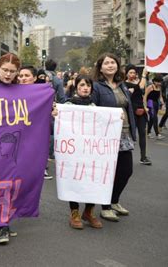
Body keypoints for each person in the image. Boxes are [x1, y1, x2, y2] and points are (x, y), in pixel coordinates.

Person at [92, 53, 136, 222]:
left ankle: (114, 201)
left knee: (126, 171)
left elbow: (127, 107)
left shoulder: (122, 85)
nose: (110, 65)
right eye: (106, 63)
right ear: (100, 67)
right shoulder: (96, 86)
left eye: (113, 62)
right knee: (108, 173)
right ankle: (105, 207)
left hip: (124, 134)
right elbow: (92, 109)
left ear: (117, 65)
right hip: (107, 136)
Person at [60, 75, 103, 230]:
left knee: (92, 180)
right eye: (82, 85)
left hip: (91, 152)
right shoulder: (67, 105)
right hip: (74, 152)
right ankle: (75, 213)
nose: (85, 88)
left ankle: (89, 212)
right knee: (74, 180)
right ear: (76, 86)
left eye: (88, 85)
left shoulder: (95, 106)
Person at [0, 53, 21, 245]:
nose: (8, 74)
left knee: (7, 184)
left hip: (12, 147)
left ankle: (4, 225)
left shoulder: (25, 92)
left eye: (12, 71)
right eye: (5, 70)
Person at [125, 65, 152, 165]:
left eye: (134, 73)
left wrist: (145, 107)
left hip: (141, 111)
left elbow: (142, 94)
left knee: (142, 133)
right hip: (131, 112)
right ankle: (124, 157)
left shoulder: (139, 82)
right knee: (130, 135)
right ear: (127, 74)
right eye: (130, 72)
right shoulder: (125, 84)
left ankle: (143, 157)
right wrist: (144, 75)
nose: (132, 74)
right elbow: (139, 87)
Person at [144, 75, 165, 140]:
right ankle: (157, 134)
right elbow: (145, 96)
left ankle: (148, 132)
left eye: (160, 82)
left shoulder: (159, 87)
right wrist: (145, 106)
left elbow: (160, 96)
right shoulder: (150, 87)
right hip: (150, 102)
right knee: (154, 118)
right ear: (154, 81)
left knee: (152, 119)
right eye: (158, 82)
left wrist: (163, 104)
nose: (159, 83)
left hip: (156, 103)